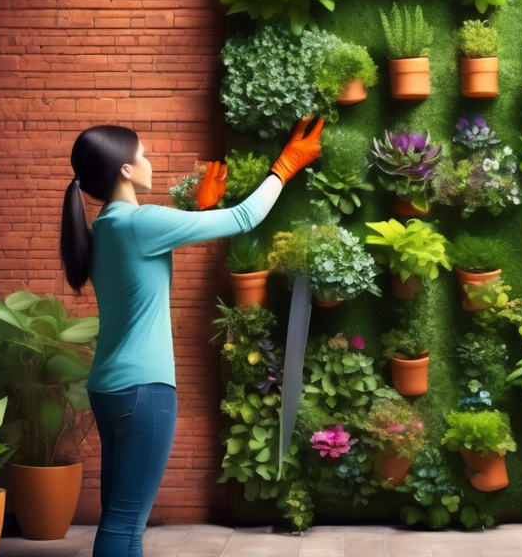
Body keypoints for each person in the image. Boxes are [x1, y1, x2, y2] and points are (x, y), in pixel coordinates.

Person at [58, 116, 324, 557]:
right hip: (145, 391)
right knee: (125, 525)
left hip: (111, 388)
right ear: (125, 169)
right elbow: (244, 217)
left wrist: (200, 214)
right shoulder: (140, 224)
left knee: (120, 519)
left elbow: (139, 276)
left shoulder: (106, 227)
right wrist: (284, 166)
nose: (148, 160)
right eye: (141, 154)